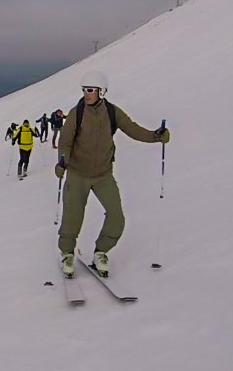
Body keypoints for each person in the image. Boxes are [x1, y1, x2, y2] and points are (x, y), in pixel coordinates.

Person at [55, 71, 170, 279]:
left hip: (103, 175)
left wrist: (155, 136)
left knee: (117, 217)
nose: (86, 94)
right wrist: (62, 161)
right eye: (84, 90)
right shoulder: (76, 113)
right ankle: (67, 254)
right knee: (72, 218)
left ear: (101, 91)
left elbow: (133, 129)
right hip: (77, 173)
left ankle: (101, 252)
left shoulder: (112, 112)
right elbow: (65, 142)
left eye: (90, 90)